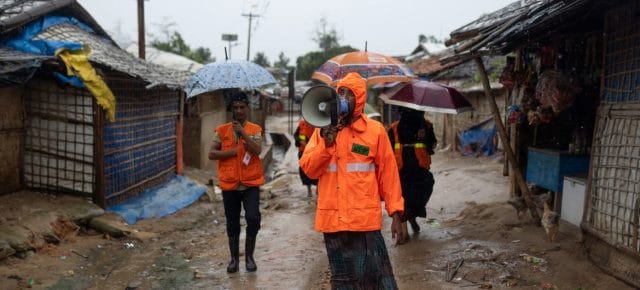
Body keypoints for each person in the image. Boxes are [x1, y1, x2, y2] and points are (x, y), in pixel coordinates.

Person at [299, 73, 408, 289]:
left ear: (359, 99)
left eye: (349, 94)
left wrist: (397, 213)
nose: (343, 98)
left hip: (364, 221)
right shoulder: (322, 131)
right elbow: (309, 171)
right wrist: (326, 146)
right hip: (333, 221)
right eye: (340, 92)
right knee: (343, 281)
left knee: (373, 279)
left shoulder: (375, 132)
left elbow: (389, 174)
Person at [208, 91, 264, 273]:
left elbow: (257, 150)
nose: (239, 111)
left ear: (247, 108)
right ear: (231, 110)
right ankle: (234, 260)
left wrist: (243, 134)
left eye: (242, 107)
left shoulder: (255, 129)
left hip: (250, 183)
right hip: (229, 183)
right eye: (235, 108)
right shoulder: (221, 131)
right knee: (232, 223)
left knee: (253, 218)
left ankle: (249, 257)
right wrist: (232, 152)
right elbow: (212, 153)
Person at [388, 107, 437, 235]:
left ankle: (412, 216)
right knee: (403, 196)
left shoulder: (426, 126)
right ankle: (404, 231)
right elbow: (388, 150)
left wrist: (424, 138)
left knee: (424, 189)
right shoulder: (394, 128)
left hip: (420, 168)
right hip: (401, 168)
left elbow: (432, 147)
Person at [293, 118, 318, 197]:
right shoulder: (302, 124)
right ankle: (309, 190)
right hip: (303, 152)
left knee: (317, 169)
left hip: (316, 152)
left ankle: (318, 189)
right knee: (305, 171)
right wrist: (301, 141)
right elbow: (297, 135)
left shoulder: (319, 123)